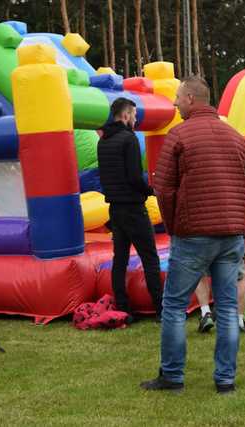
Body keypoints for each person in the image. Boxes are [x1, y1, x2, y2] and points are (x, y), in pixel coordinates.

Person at [142, 76, 245, 394]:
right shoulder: (235, 137)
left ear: (191, 98)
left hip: (193, 234)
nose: (175, 103)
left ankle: (172, 376)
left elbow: (163, 188)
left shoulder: (178, 135)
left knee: (175, 306)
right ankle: (225, 379)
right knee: (229, 308)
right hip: (231, 234)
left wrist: (173, 225)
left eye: (178, 98)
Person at [96, 97, 162, 323]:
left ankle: (123, 306)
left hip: (115, 208)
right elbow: (134, 177)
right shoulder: (129, 139)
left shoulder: (103, 141)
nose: (135, 119)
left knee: (120, 259)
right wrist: (150, 191)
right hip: (133, 207)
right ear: (125, 116)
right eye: (134, 115)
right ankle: (161, 310)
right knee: (150, 258)